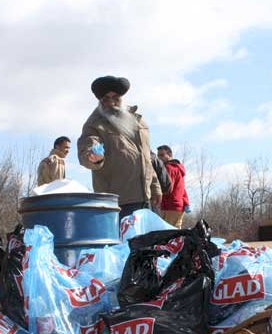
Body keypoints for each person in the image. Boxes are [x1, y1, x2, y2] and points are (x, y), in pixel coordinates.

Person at [77, 75, 161, 220]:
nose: (111, 103)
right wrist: (93, 157)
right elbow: (88, 145)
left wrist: (155, 187)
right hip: (118, 202)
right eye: (106, 99)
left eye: (115, 98)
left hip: (146, 199)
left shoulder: (138, 121)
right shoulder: (94, 124)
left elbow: (145, 157)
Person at [157, 145, 190, 228]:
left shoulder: (169, 168)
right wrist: (186, 203)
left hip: (170, 206)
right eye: (158, 156)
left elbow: (167, 187)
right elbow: (183, 189)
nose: (159, 158)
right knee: (175, 233)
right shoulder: (178, 169)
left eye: (162, 155)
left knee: (168, 233)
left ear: (170, 155)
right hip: (177, 206)